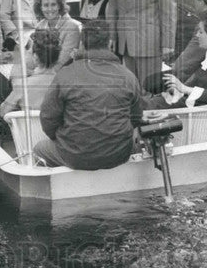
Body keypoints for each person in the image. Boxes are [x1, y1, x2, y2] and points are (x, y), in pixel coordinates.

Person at [33, 20, 143, 170]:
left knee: (38, 149)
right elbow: (136, 117)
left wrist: (62, 139)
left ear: (82, 44)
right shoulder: (128, 76)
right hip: (118, 155)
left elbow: (48, 118)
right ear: (110, 43)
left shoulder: (65, 74)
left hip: (75, 156)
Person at [144, 6, 207, 109]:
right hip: (191, 110)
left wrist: (184, 88)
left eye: (200, 32)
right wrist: (175, 90)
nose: (197, 35)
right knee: (143, 104)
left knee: (139, 109)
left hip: (197, 118)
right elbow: (194, 84)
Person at [0, 29, 61, 117]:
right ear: (57, 59)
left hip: (28, 129)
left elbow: (3, 112)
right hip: (56, 129)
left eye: (29, 50)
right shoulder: (65, 83)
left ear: (35, 57)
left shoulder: (22, 85)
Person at [30, 0, 81, 71]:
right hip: (41, 72)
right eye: (46, 5)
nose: (50, 9)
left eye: (53, 5)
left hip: (62, 74)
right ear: (40, 8)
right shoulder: (40, 26)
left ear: (59, 6)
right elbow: (32, 54)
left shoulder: (72, 27)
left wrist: (43, 75)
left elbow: (64, 59)